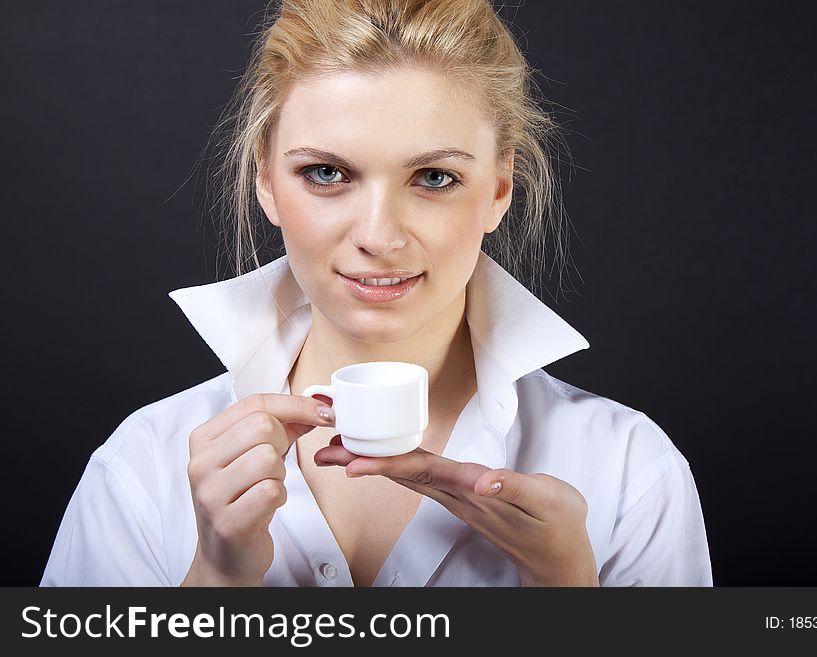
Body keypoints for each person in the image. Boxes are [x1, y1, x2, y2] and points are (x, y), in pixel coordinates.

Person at [40, 0, 712, 587]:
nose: (378, 235)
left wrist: (565, 593)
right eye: (327, 172)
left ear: (500, 188)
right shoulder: (141, 464)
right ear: (267, 182)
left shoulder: (630, 471)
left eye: (434, 177)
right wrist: (215, 580)